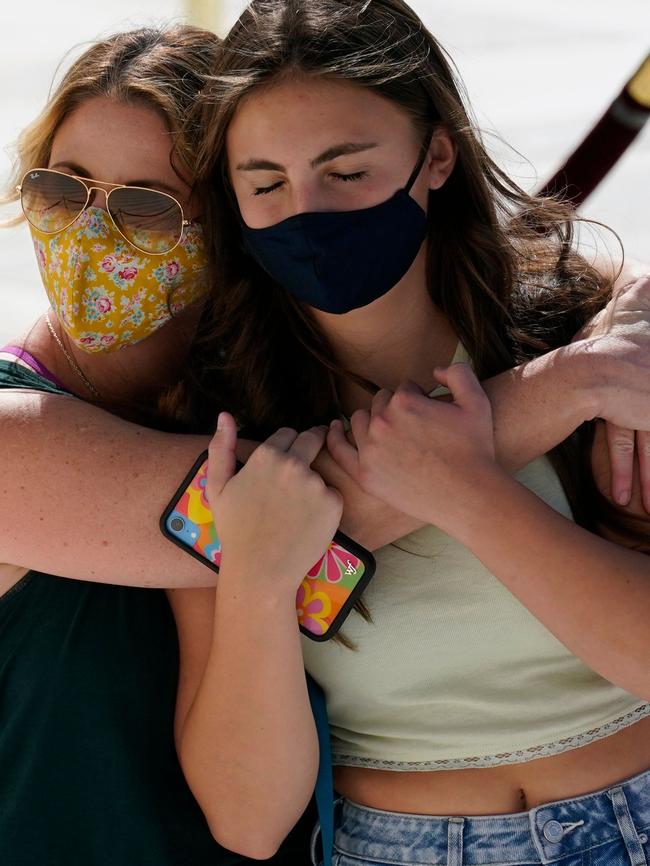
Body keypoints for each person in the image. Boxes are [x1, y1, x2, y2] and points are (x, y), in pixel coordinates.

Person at [151, 0, 650, 862]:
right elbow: (249, 818)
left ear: (438, 156)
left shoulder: (584, 332)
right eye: (266, 185)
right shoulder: (213, 417)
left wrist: (470, 495)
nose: (309, 212)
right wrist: (259, 582)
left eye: (347, 171)